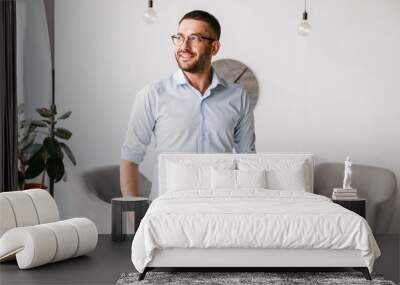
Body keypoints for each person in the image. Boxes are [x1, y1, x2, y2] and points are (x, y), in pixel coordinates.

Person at [120, 10, 256, 198]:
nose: (184, 46)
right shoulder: (152, 95)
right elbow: (130, 158)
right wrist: (133, 220)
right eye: (179, 37)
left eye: (194, 38)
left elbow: (247, 161)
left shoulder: (238, 96)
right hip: (168, 213)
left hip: (222, 208)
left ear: (214, 47)